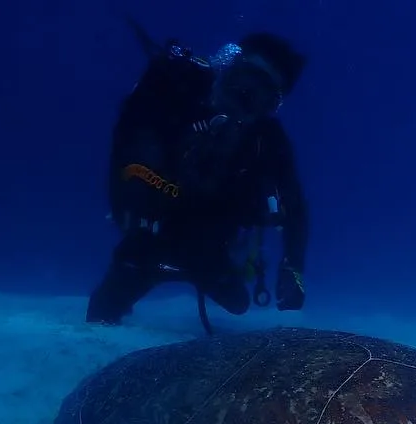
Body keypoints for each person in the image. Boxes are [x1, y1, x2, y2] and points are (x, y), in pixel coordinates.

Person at [86, 30, 310, 329]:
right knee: (104, 308)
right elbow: (129, 149)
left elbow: (295, 206)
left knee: (239, 303)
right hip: (152, 233)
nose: (244, 96)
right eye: (244, 80)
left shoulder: (267, 141)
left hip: (211, 246)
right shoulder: (174, 92)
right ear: (227, 68)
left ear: (272, 106)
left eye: (260, 94)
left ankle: (202, 266)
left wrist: (292, 267)